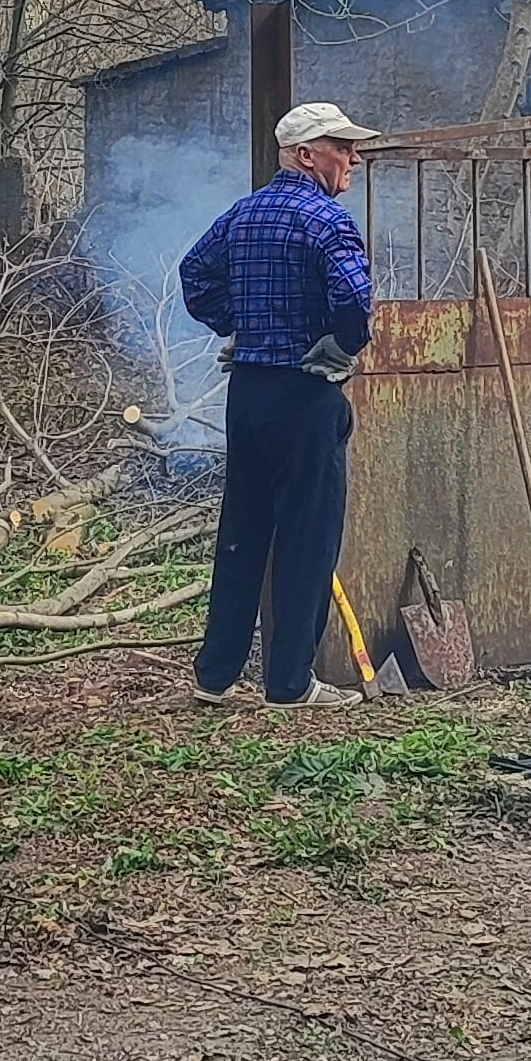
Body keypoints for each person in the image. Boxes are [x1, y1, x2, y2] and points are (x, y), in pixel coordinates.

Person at [177, 101, 380, 708]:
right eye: (342, 147)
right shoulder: (327, 220)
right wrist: (342, 346)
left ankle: (215, 676)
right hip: (306, 394)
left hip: (247, 393)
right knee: (307, 538)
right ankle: (289, 683)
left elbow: (194, 274)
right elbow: (355, 298)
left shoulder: (242, 215)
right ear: (305, 155)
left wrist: (236, 324)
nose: (353, 158)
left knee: (242, 530)